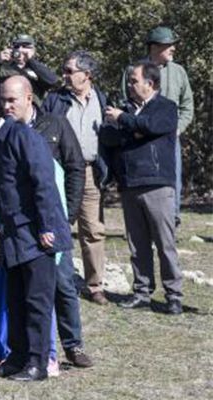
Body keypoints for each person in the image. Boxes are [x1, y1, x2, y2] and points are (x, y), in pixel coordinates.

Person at [0, 98, 72, 381]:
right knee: (16, 300)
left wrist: (47, 226)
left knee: (37, 302)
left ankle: (37, 363)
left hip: (37, 233)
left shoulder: (22, 136)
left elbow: (43, 181)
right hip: (13, 236)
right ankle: (17, 358)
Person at [0, 76, 93, 369]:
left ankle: (73, 345)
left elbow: (75, 167)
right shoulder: (6, 132)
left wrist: (67, 215)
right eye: (2, 100)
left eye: (11, 100)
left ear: (29, 97)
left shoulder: (55, 124)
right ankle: (32, 353)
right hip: (25, 226)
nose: (5, 106)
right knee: (29, 291)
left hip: (53, 222)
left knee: (63, 284)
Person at [102, 61, 183, 315]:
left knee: (164, 243)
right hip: (130, 184)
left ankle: (174, 295)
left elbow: (154, 126)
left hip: (157, 184)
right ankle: (142, 292)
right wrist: (132, 128)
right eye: (129, 80)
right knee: (137, 244)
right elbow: (109, 137)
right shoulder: (125, 109)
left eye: (134, 80)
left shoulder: (166, 107)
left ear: (151, 83)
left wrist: (125, 122)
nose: (129, 85)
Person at [44, 51, 109, 305]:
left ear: (87, 75)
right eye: (65, 70)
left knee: (92, 229)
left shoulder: (102, 100)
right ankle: (52, 279)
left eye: (70, 71)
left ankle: (94, 286)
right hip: (61, 171)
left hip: (91, 171)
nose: (65, 75)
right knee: (56, 224)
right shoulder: (55, 100)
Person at [121, 27, 193, 227]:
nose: (173, 49)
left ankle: (172, 221)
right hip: (140, 137)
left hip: (169, 139)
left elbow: (188, 106)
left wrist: (178, 128)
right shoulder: (133, 71)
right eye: (168, 45)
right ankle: (146, 223)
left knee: (173, 181)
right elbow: (125, 103)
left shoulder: (179, 72)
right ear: (154, 47)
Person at [0, 33, 59, 104]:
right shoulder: (3, 68)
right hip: (7, 114)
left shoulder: (39, 69)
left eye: (25, 46)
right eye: (16, 46)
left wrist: (30, 61)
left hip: (33, 114)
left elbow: (52, 81)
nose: (20, 49)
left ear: (33, 50)